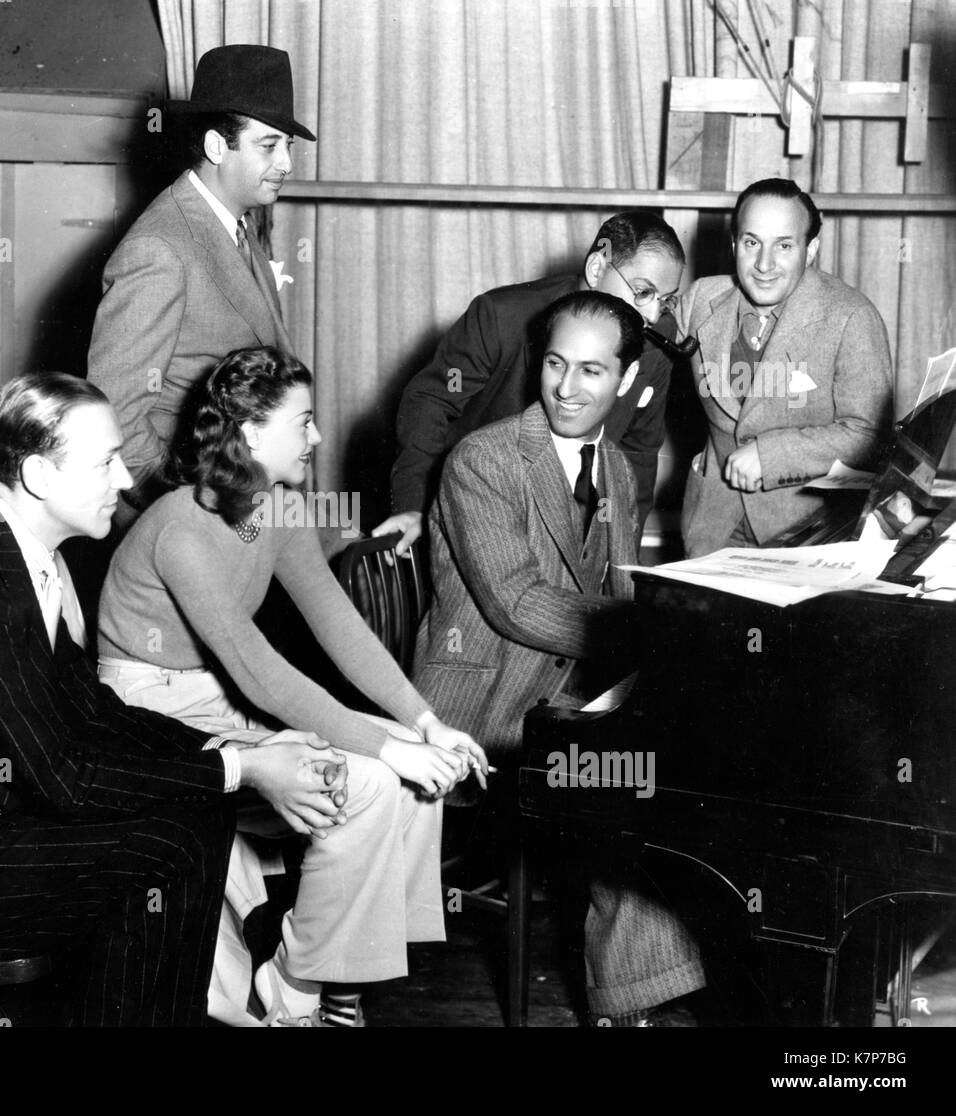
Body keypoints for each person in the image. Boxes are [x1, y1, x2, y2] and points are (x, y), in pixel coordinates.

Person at [0, 372, 347, 1026]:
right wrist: (245, 770)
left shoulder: (28, 556)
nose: (126, 481)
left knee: (197, 815)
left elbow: (95, 714)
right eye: (105, 461)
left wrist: (244, 747)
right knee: (168, 847)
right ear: (40, 475)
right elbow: (60, 778)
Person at [97, 345, 488, 1026]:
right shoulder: (179, 527)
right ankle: (295, 985)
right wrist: (386, 748)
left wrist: (423, 723)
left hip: (213, 693)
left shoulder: (275, 506)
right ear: (250, 433)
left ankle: (338, 977)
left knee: (422, 768)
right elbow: (257, 668)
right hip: (143, 709)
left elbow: (338, 623)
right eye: (302, 421)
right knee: (367, 776)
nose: (315, 436)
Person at [414, 290, 706, 1026]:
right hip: (485, 710)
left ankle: (644, 988)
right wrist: (649, 638)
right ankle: (627, 1004)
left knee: (687, 760)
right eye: (553, 365)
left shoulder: (614, 467)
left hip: (565, 697)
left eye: (591, 372)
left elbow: (614, 588)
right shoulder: (483, 458)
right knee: (636, 784)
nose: (567, 389)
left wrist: (668, 636)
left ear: (627, 383)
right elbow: (516, 601)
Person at [85, 45, 313, 527]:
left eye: (288, 145)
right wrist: (185, 508)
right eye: (269, 146)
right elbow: (115, 412)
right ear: (215, 148)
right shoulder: (160, 249)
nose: (287, 163)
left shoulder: (235, 225)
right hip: (191, 518)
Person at [378, 212, 687, 552]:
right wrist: (415, 504)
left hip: (574, 531)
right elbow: (431, 402)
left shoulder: (656, 340)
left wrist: (623, 553)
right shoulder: (502, 317)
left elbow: (638, 450)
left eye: (666, 300)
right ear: (597, 268)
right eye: (643, 292)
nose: (654, 315)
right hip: (481, 516)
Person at [679, 177, 893, 556]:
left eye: (784, 245)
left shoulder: (851, 317)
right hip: (711, 528)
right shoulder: (701, 299)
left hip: (808, 534)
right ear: (734, 244)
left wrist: (772, 455)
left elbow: (870, 435)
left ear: (810, 250)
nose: (764, 264)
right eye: (751, 243)